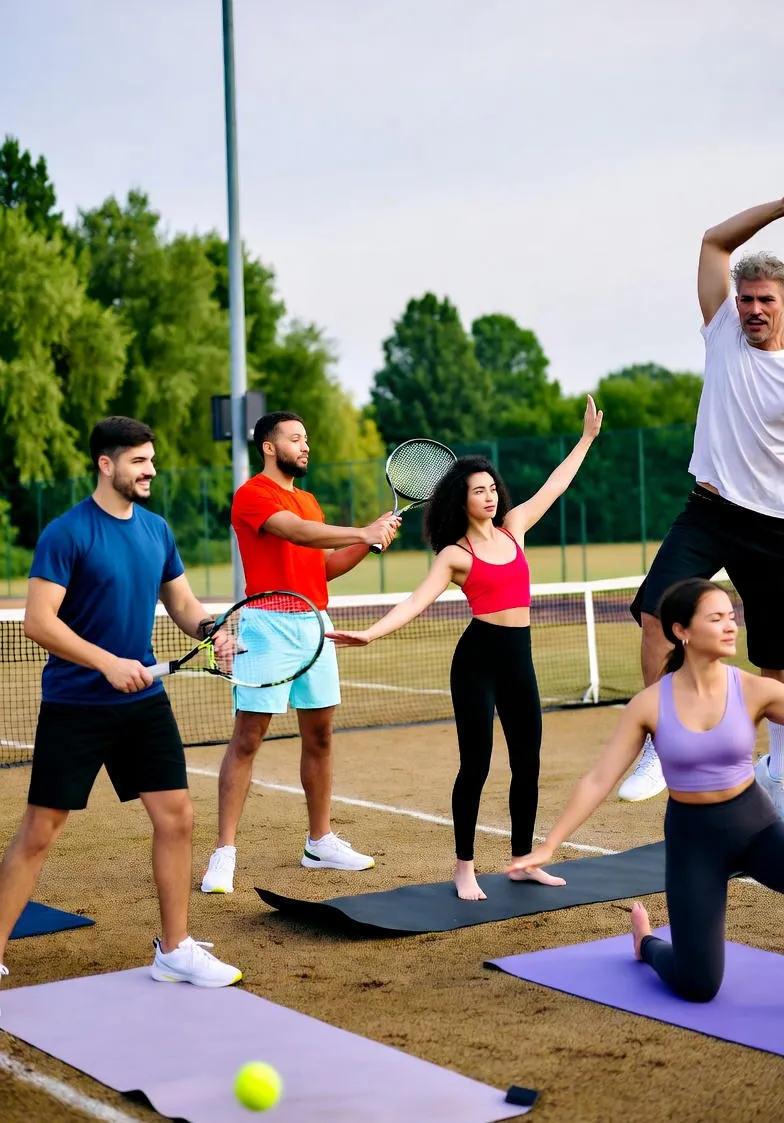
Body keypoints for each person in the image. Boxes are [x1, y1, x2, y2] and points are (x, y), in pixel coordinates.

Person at [0, 417, 242, 992]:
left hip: (143, 705)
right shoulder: (67, 533)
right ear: (106, 465)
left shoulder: (157, 530)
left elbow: (182, 604)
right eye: (139, 461)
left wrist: (212, 631)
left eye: (151, 460)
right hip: (76, 705)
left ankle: (175, 949)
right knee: (41, 830)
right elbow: (39, 622)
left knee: (177, 817)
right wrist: (106, 662)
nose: (151, 470)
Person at [327, 397, 603, 901]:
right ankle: (465, 867)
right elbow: (416, 602)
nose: (491, 496)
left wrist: (585, 438)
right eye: (480, 491)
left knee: (528, 762)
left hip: (519, 656)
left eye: (493, 487)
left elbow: (556, 485)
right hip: (477, 661)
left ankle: (522, 861)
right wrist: (370, 633)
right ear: (462, 499)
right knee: (475, 765)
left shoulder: (514, 529)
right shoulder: (455, 554)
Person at [509, 578, 784, 1002]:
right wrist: (551, 844)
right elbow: (600, 778)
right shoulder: (651, 704)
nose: (731, 626)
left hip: (755, 828)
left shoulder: (754, 689)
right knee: (698, 986)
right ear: (682, 631)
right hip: (695, 844)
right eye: (716, 618)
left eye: (732, 617)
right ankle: (647, 944)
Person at [622, 196, 784, 814]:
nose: (752, 309)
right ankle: (662, 742)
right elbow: (715, 242)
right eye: (746, 298)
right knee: (661, 613)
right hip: (712, 511)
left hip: (777, 529)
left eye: (766, 298)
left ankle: (773, 772)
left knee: (776, 664)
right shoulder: (723, 329)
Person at [201, 411, 400, 892]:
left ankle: (319, 842)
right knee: (249, 737)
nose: (305, 446)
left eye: (306, 439)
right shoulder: (253, 495)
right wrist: (360, 531)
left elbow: (322, 567)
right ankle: (224, 852)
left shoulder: (309, 500)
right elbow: (293, 532)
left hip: (315, 622)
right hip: (266, 624)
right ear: (269, 447)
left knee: (321, 735)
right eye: (295, 439)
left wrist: (369, 541)